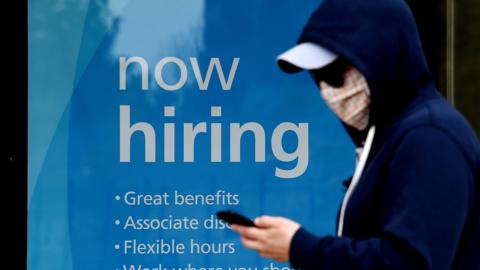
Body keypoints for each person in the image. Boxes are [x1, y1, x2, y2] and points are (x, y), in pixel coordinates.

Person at [231, 0, 480, 269]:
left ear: (382, 56)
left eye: (335, 72)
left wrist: (300, 247)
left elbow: (408, 262)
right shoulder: (396, 136)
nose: (327, 89)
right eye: (318, 76)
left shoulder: (430, 137)